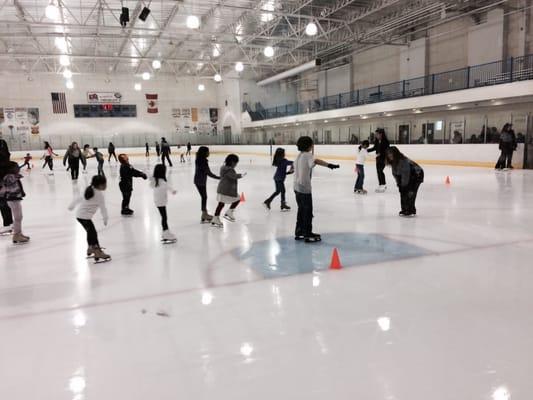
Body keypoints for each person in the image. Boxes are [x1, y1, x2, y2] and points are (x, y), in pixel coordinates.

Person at [293, 136, 339, 243]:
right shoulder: (308, 155)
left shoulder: (298, 156)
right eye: (312, 144)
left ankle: (299, 231)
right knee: (307, 212)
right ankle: (307, 233)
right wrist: (329, 165)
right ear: (309, 145)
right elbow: (315, 161)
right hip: (304, 188)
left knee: (301, 210)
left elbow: (294, 167)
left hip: (296, 187)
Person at [68, 175, 110, 262]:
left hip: (80, 216)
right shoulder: (99, 194)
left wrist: (71, 206)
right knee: (93, 233)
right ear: (100, 185)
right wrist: (105, 218)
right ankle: (97, 251)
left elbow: (78, 198)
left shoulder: (89, 188)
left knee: (90, 232)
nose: (106, 185)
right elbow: (103, 208)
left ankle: (91, 248)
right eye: (104, 184)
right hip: (84, 217)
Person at [386, 147, 424, 217]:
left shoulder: (402, 161)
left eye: (391, 154)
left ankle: (411, 210)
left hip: (417, 175)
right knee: (403, 192)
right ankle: (405, 209)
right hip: (408, 175)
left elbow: (405, 174)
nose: (389, 156)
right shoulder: (393, 162)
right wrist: (399, 184)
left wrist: (404, 186)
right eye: (388, 154)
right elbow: (395, 174)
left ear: (395, 154)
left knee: (410, 192)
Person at [211, 154, 246, 227]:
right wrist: (241, 175)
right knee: (238, 199)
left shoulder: (223, 167)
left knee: (221, 204)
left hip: (222, 189)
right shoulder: (229, 169)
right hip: (226, 190)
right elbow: (233, 176)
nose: (236, 165)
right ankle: (229, 212)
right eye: (236, 163)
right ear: (233, 162)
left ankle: (215, 218)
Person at [0, 158, 29, 244]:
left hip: (15, 199)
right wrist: (17, 176)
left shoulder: (11, 175)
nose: (18, 169)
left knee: (19, 217)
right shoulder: (9, 177)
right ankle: (17, 235)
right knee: (18, 217)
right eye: (16, 167)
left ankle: (19, 233)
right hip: (13, 199)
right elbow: (9, 186)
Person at [150, 164, 177, 243]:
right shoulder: (161, 181)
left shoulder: (155, 180)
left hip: (158, 201)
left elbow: (149, 176)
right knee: (164, 217)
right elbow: (168, 187)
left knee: (164, 217)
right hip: (161, 202)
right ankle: (165, 232)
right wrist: (173, 191)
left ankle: (166, 232)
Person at [194, 146, 220, 223]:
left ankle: (204, 213)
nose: (209, 153)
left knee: (204, 197)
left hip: (198, 180)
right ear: (204, 153)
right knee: (204, 197)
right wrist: (218, 177)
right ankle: (204, 214)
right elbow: (208, 172)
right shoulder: (203, 161)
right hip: (200, 181)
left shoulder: (199, 159)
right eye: (207, 152)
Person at [367, 128, 390, 192]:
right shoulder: (377, 141)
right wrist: (366, 150)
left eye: (377, 134)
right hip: (378, 158)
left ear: (381, 134)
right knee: (378, 171)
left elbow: (387, 151)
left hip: (384, 158)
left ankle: (384, 184)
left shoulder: (386, 141)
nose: (376, 135)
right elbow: (374, 148)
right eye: (375, 134)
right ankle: (380, 184)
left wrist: (381, 154)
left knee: (380, 170)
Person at [0, 139, 14, 235]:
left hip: (2, 178)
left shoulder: (1, 144)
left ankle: (8, 225)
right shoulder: (2, 143)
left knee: (3, 202)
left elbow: (5, 159)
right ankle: (8, 224)